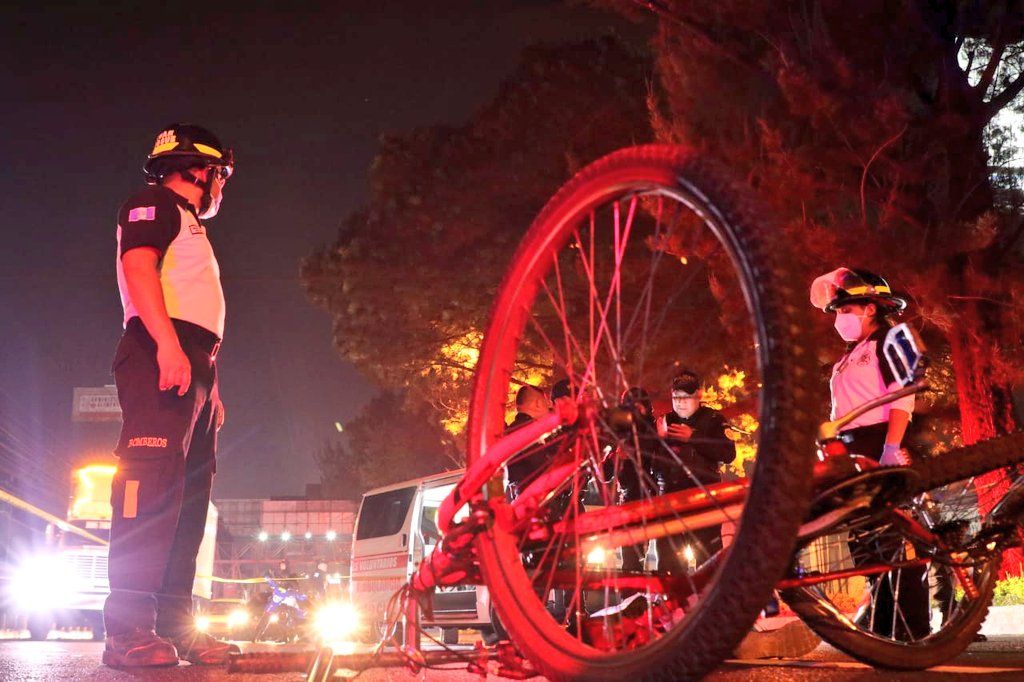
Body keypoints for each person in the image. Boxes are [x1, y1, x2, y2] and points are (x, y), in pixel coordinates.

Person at [102, 124, 239, 668]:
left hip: (195, 360)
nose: (222, 188)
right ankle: (127, 631)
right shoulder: (153, 203)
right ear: (200, 169)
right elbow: (138, 269)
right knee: (149, 489)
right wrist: (165, 345)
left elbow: (200, 311)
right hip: (161, 347)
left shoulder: (187, 224)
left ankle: (179, 628)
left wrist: (212, 387)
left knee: (189, 503)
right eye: (221, 175)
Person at [810, 266, 930, 640]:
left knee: (893, 537)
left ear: (871, 308)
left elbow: (903, 397)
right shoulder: (847, 356)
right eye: (838, 312)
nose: (840, 318)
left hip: (881, 441)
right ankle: (881, 623)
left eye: (847, 310)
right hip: (849, 451)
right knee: (863, 542)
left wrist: (892, 446)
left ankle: (910, 628)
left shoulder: (890, 339)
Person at [651, 371, 736, 568]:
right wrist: (659, 440)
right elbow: (649, 463)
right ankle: (672, 598)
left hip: (704, 498)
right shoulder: (664, 421)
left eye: (686, 397)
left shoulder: (713, 419)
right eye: (676, 397)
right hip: (670, 499)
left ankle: (707, 596)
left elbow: (728, 454)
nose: (680, 402)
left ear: (698, 395)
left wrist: (694, 438)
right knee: (668, 561)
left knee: (707, 560)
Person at [505, 384, 553, 496]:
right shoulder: (528, 431)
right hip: (535, 500)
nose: (549, 406)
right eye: (546, 402)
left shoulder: (515, 428)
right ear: (538, 403)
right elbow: (543, 467)